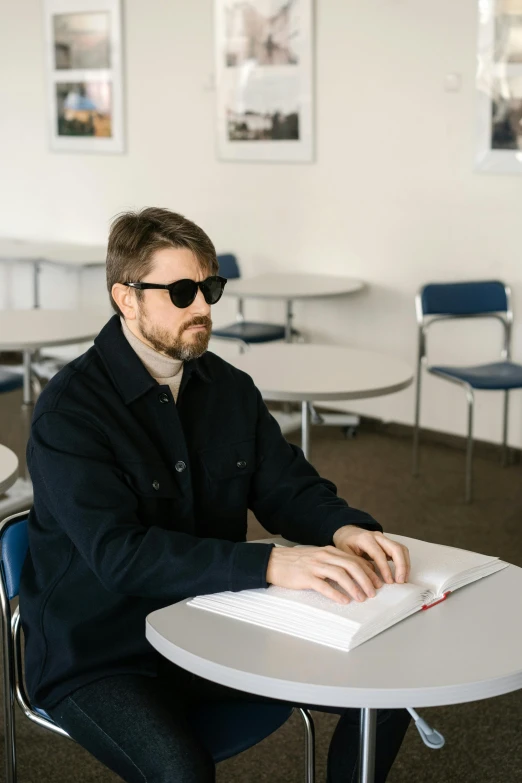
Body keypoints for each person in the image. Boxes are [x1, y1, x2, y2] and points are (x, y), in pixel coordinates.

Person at [20, 207, 411, 783]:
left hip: (211, 622)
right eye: (181, 291)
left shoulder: (228, 386)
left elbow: (288, 487)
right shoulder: (69, 413)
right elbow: (121, 556)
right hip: (101, 650)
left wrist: (344, 528)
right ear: (125, 298)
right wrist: (272, 561)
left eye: (210, 287)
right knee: (182, 771)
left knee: (386, 692)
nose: (203, 307)